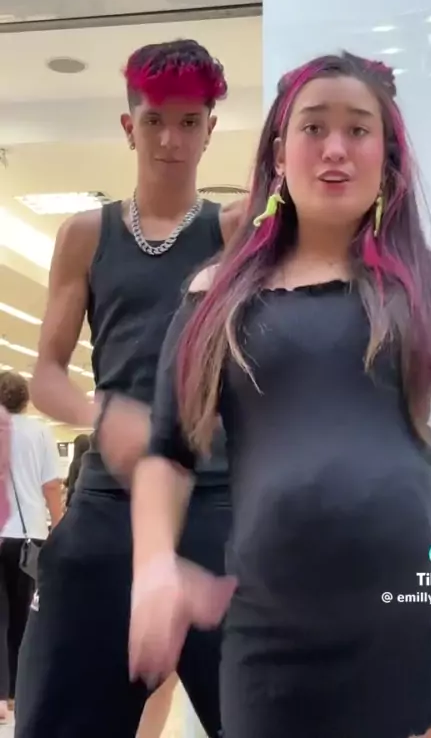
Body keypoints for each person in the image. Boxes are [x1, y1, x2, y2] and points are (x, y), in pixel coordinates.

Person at [130, 52, 431, 738]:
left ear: (387, 160)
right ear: (279, 154)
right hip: (276, 634)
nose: (335, 148)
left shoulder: (421, 284)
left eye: (359, 130)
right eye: (314, 127)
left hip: (430, 604)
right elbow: (167, 453)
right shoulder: (214, 299)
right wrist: (153, 567)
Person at [15, 39, 242, 738]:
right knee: (57, 714)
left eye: (188, 122)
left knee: (261, 711)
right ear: (128, 125)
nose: (170, 140)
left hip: (215, 503)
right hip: (108, 504)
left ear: (209, 129)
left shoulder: (236, 233)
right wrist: (100, 413)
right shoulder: (86, 235)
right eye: (154, 121)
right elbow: (46, 372)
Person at [0, 371, 61, 722]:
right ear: (25, 400)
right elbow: (51, 486)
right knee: (25, 616)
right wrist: (60, 525)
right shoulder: (39, 432)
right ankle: (19, 693)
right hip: (29, 536)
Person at [65, 433, 91, 506]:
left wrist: (67, 503)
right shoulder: (94, 462)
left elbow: (71, 488)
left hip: (78, 503)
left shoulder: (75, 464)